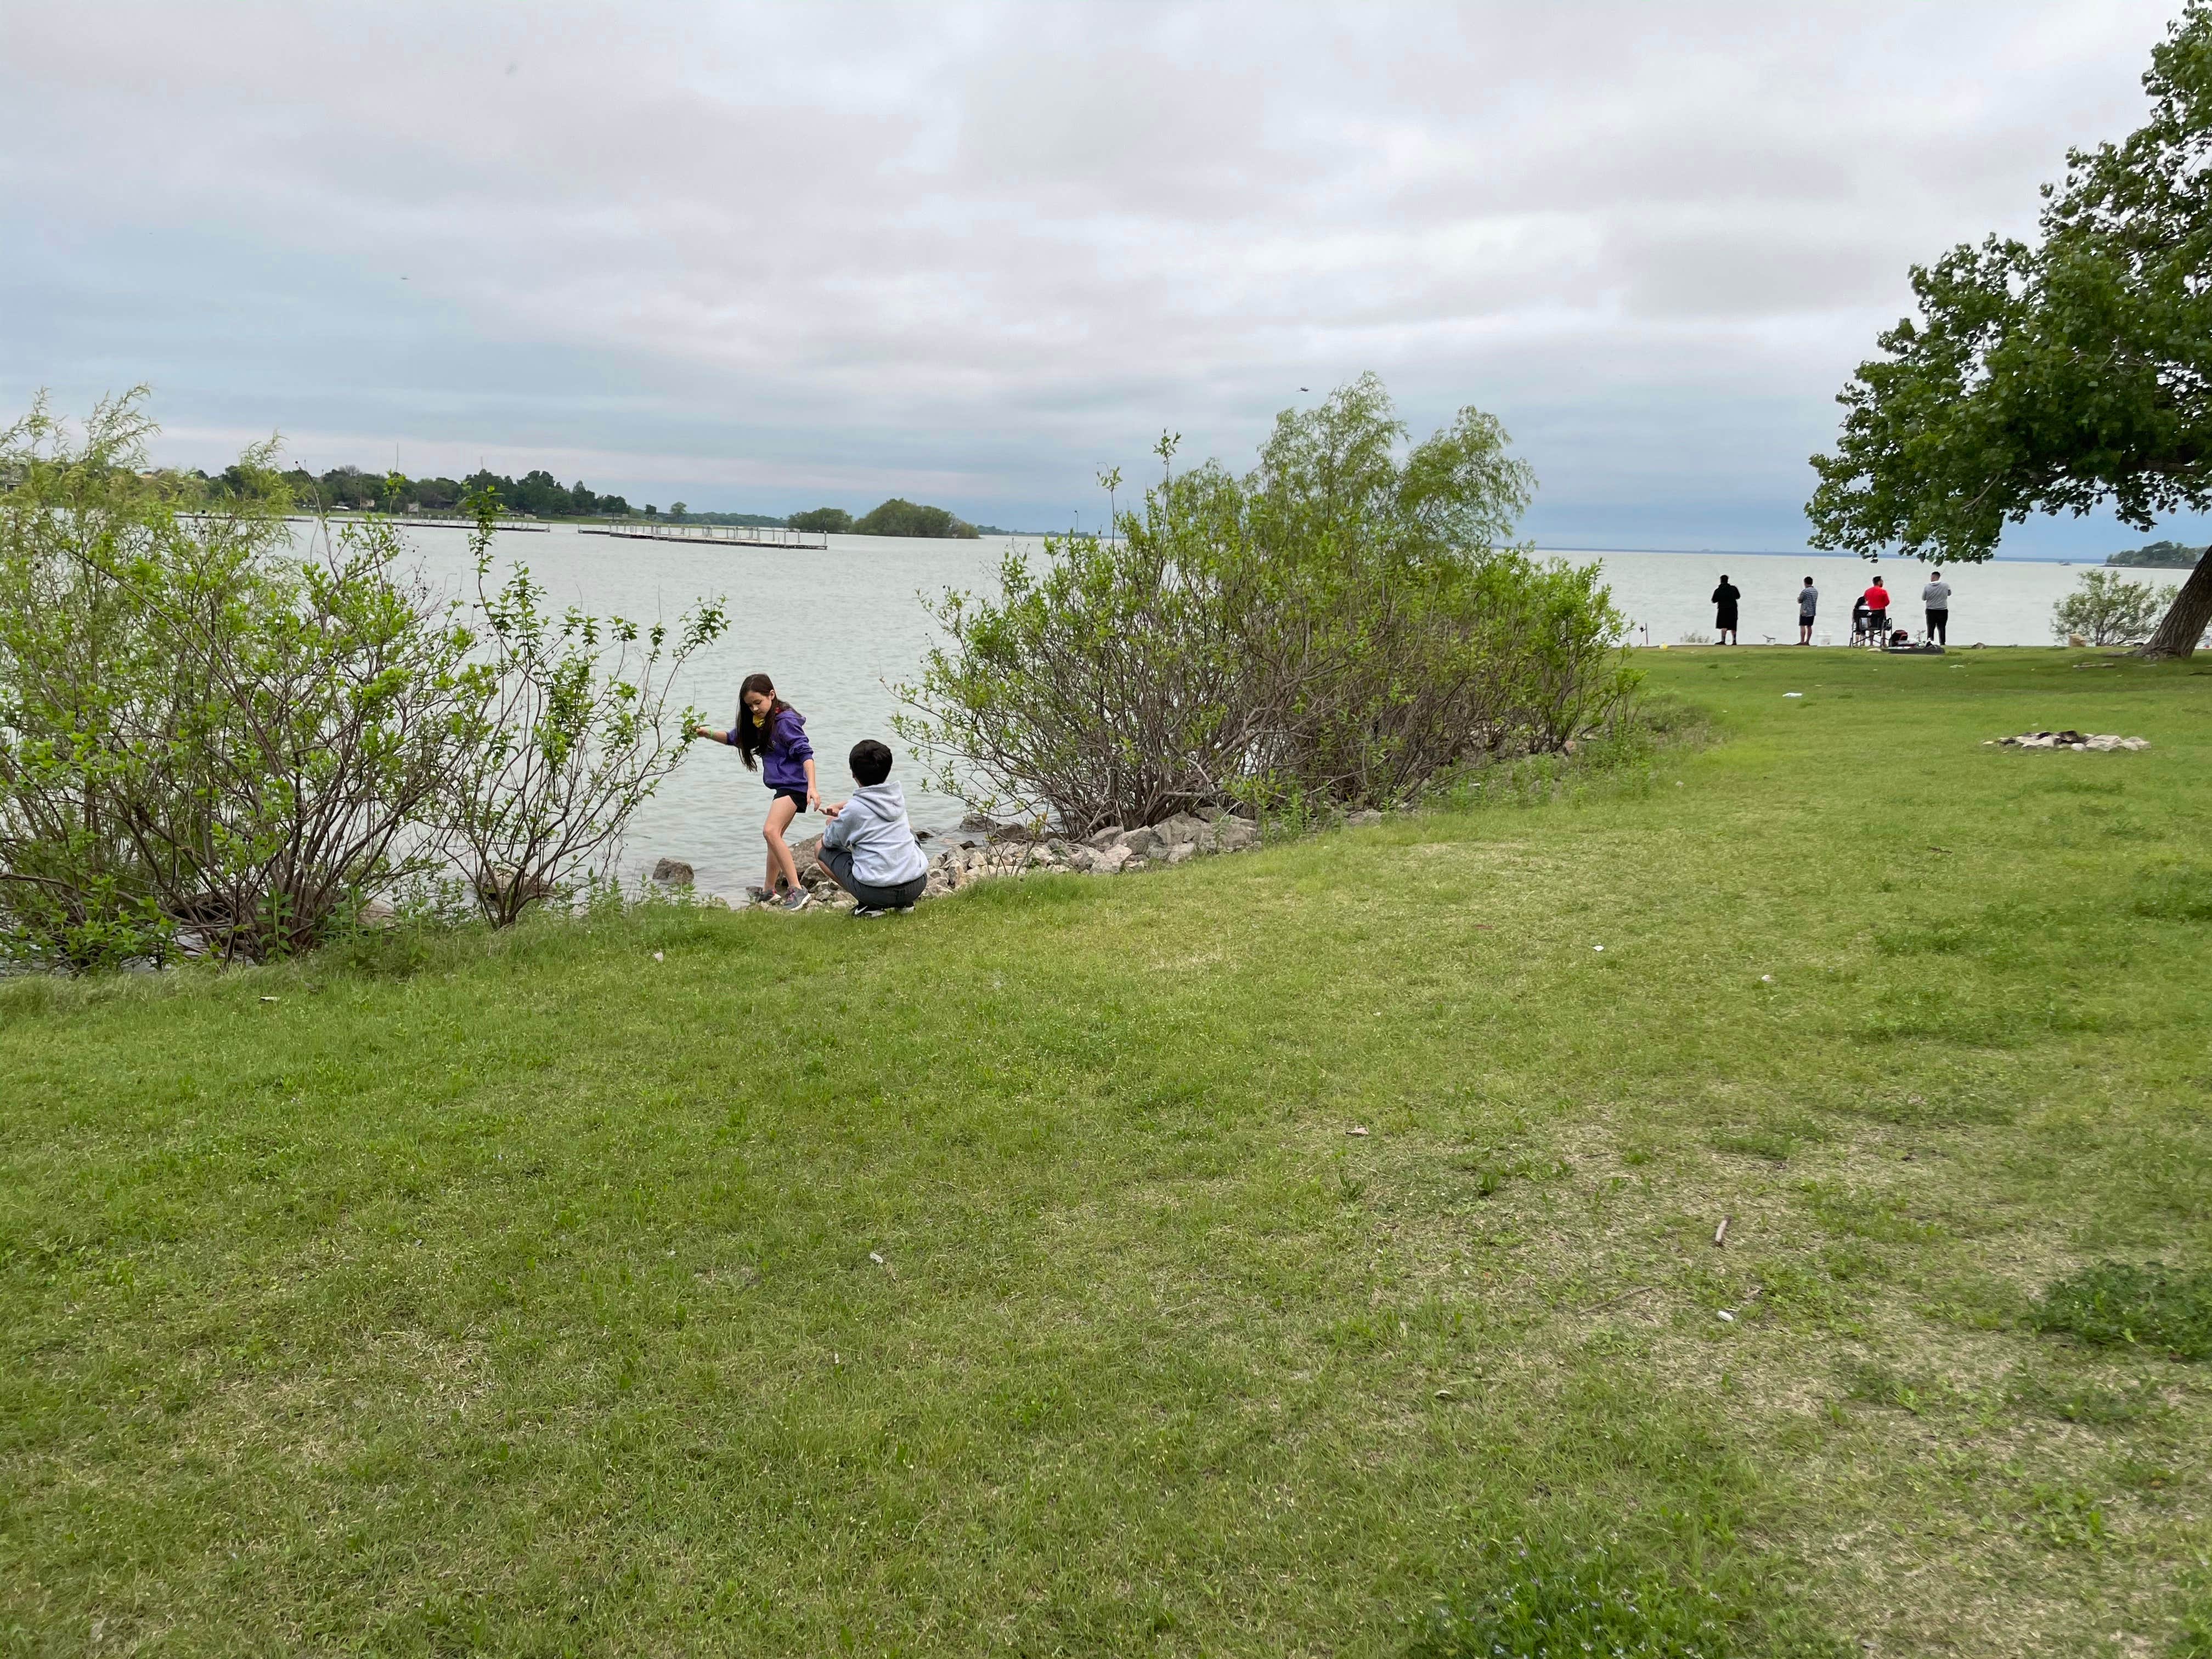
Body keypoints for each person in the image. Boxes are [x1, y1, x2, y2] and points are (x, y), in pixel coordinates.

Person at [695, 672, 819, 911]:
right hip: (784, 786)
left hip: (795, 786)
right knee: (775, 837)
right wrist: (707, 733)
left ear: (771, 695)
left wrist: (812, 787)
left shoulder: (785, 722)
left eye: (758, 703)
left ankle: (797, 890)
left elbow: (807, 755)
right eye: (749, 705)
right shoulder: (760, 723)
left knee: (770, 831)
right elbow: (735, 738)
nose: (754, 708)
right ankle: (768, 891)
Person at [817, 740, 929, 917]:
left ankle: (869, 905)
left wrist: (832, 821)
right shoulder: (897, 796)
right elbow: (869, 804)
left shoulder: (854, 811)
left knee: (820, 848)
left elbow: (829, 840)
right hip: (916, 884)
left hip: (877, 892)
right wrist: (843, 808)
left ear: (854, 774)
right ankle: (905, 904)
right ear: (888, 769)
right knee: (908, 831)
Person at [1922, 567, 1953, 645]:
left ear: (1934, 577)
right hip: (1943, 610)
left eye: (1931, 577)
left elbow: (1923, 598)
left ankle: (1930, 643)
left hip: (1931, 610)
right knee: (1942, 627)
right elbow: (1949, 594)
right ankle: (1943, 643)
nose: (1931, 578)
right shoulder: (1946, 585)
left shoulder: (1927, 587)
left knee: (1931, 628)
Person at [1711, 574, 1741, 644]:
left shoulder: (1718, 590)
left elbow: (1714, 600)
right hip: (1733, 609)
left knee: (1724, 625)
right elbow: (1738, 596)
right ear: (1728, 580)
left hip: (1723, 609)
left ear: (1721, 581)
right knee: (1733, 625)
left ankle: (1723, 641)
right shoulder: (1733, 589)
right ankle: (1734, 641)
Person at [1861, 575, 1891, 644]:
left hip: (1871, 613)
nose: (1883, 583)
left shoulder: (1867, 591)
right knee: (1883, 627)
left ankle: (1871, 643)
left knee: (1871, 627)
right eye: (1882, 581)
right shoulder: (1883, 591)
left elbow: (1864, 601)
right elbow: (1887, 602)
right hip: (1881, 612)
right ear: (1879, 582)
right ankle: (1883, 642)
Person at [1797, 575, 1818, 645]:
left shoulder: (1805, 591)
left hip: (1804, 611)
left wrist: (1798, 599)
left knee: (1802, 625)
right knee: (1809, 626)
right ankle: (1807, 642)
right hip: (1812, 612)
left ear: (1805, 583)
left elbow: (1800, 600)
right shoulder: (1815, 591)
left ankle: (1802, 641)